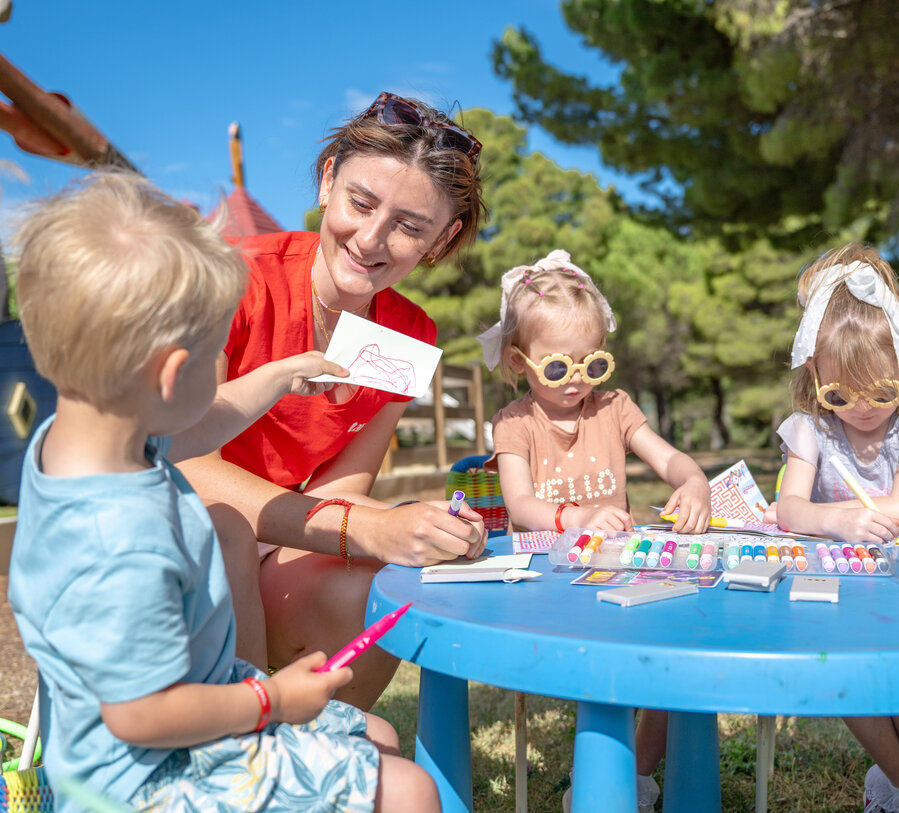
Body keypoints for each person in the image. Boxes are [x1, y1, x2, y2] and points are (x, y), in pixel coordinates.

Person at [7, 172, 437, 812]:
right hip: (147, 774)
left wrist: (284, 373)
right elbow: (141, 716)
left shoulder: (91, 439)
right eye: (216, 355)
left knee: (378, 734)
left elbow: (208, 416)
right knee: (404, 788)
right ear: (174, 376)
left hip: (160, 725)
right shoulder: (120, 540)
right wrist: (273, 701)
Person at [178, 92, 489, 711]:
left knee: (385, 583)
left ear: (442, 238)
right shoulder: (232, 280)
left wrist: (410, 529)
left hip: (284, 540)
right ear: (327, 181)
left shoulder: (413, 334)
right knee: (226, 531)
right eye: (361, 202)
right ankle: (242, 747)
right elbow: (185, 463)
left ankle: (316, 752)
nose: (370, 239)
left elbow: (344, 488)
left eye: (409, 226)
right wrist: (370, 526)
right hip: (187, 542)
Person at [479, 249, 713, 812]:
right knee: (607, 669)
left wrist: (696, 482)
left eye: (593, 365)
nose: (576, 381)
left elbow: (671, 459)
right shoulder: (515, 423)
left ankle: (634, 779)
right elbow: (521, 503)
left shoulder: (613, 407)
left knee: (670, 657)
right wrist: (576, 517)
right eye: (557, 368)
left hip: (616, 568)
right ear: (519, 362)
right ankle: (609, 781)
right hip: (549, 577)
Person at [776, 242, 899, 813]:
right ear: (814, 372)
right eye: (839, 393)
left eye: (882, 392)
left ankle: (895, 780)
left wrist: (885, 512)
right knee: (832, 657)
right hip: (838, 587)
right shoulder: (809, 429)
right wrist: (836, 517)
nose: (861, 408)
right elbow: (788, 510)